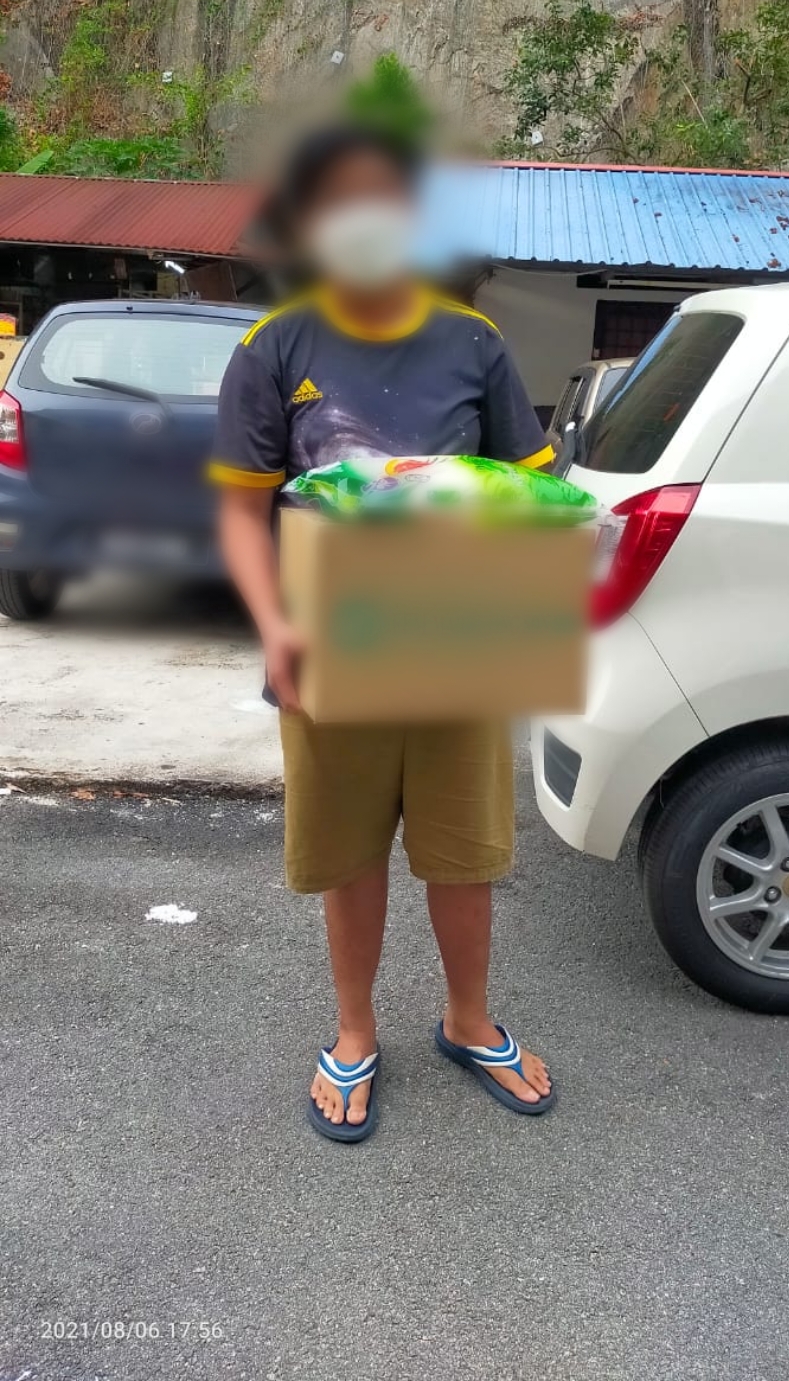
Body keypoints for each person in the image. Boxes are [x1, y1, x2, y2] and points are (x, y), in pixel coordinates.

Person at [210, 125, 555, 1142]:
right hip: (329, 649)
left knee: (464, 851)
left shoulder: (473, 343)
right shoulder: (274, 347)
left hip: (457, 646)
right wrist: (274, 625)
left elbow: (531, 494)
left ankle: (468, 1019)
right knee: (349, 851)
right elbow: (240, 512)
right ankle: (354, 1029)